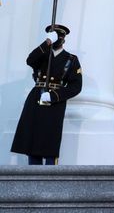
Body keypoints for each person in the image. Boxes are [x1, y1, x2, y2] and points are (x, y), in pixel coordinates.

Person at [11, 24, 82, 165]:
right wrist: (47, 43)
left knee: (50, 142)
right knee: (32, 140)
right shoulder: (42, 54)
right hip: (36, 98)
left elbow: (76, 87)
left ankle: (50, 179)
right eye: (53, 37)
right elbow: (29, 60)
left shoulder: (71, 59)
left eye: (58, 37)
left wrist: (54, 95)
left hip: (54, 102)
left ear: (63, 39)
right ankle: (33, 177)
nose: (56, 40)